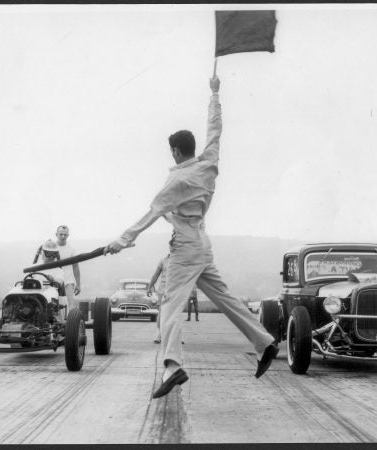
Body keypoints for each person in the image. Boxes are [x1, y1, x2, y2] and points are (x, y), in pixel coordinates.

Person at [104, 75, 278, 399]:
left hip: (185, 247)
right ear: (191, 148)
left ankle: (172, 366)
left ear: (174, 150)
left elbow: (150, 214)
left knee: (169, 305)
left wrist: (121, 242)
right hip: (201, 241)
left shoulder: (176, 182)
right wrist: (214, 94)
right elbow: (215, 130)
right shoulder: (209, 162)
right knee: (224, 298)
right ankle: (264, 342)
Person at [34, 239, 66, 321]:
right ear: (43, 253)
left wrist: (52, 280)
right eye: (48, 254)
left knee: (57, 317)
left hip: (51, 300)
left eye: (54, 254)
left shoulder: (59, 270)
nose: (51, 257)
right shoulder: (34, 268)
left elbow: (58, 283)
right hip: (34, 297)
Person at [54, 225, 81, 310]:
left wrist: (78, 285)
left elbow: (76, 267)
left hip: (68, 281)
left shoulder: (72, 250)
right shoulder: (51, 247)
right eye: (61, 234)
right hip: (54, 280)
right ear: (56, 234)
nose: (63, 236)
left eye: (65, 235)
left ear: (68, 235)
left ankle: (71, 322)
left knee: (70, 304)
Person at [147, 254, 169, 344]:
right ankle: (159, 334)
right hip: (163, 290)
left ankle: (178, 336)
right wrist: (149, 287)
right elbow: (155, 275)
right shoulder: (163, 261)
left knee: (176, 313)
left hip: (176, 290)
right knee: (161, 312)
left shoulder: (182, 260)